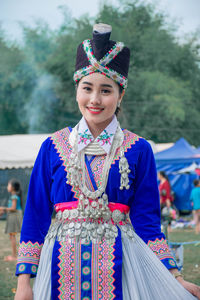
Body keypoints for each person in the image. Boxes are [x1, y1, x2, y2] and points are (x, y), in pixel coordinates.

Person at [14, 24, 200, 300]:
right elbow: (35, 215)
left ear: (121, 94)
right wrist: (23, 283)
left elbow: (147, 221)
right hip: (59, 267)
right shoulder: (53, 147)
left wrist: (176, 278)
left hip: (124, 267)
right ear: (77, 89)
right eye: (87, 88)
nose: (95, 99)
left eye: (106, 90)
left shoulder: (138, 149)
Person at [0, 179, 22, 261]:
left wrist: (3, 208)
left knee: (12, 236)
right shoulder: (14, 196)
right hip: (12, 216)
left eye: (8, 185)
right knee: (11, 236)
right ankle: (14, 255)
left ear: (12, 187)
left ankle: (14, 256)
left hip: (14, 216)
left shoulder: (14, 196)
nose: (7, 187)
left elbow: (13, 208)